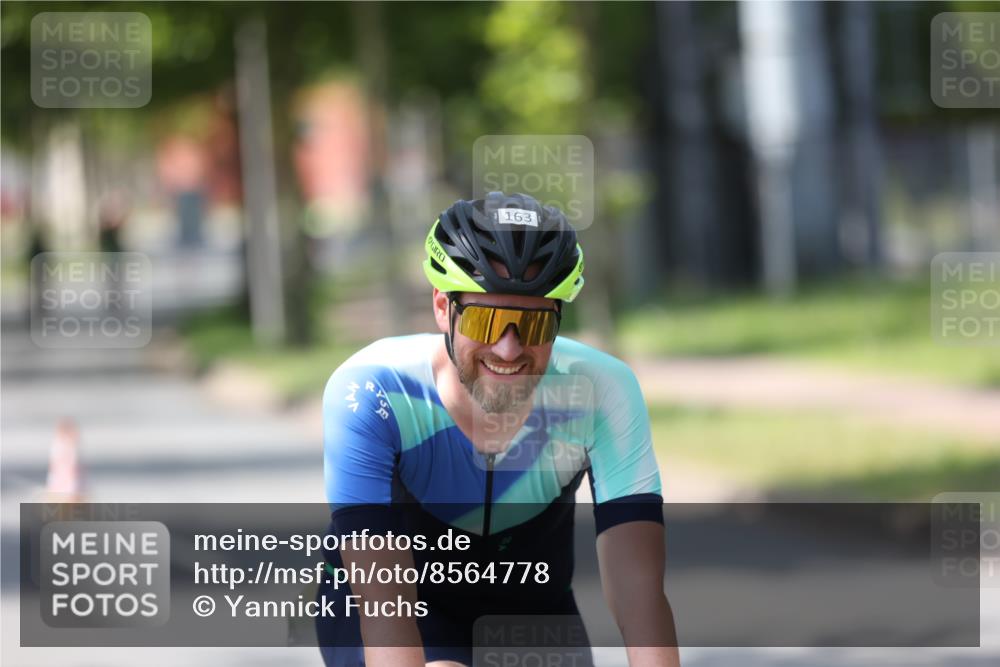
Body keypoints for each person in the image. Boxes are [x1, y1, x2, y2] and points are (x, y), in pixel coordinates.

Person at [318, 192, 680, 667]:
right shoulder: (374, 391)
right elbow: (384, 605)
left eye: (531, 325)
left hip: (534, 613)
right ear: (443, 309)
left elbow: (639, 590)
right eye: (487, 320)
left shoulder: (601, 390)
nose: (509, 350)